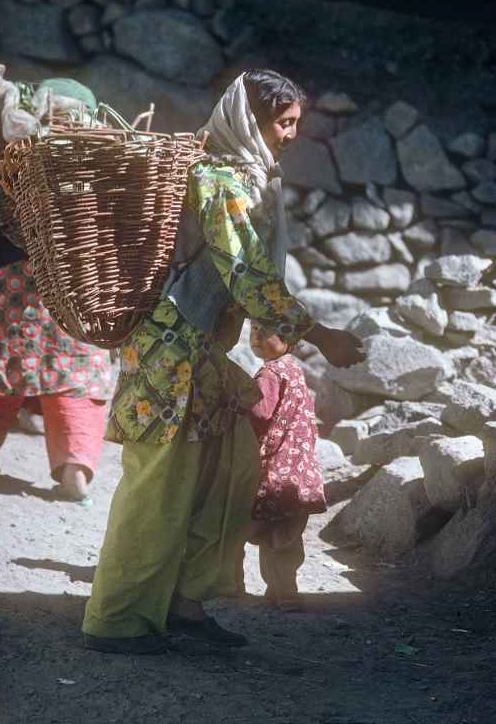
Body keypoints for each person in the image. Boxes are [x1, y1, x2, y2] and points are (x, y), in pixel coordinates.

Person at [82, 69, 365, 655]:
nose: (290, 135)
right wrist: (318, 334)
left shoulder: (255, 178)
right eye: (282, 122)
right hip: (172, 351)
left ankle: (185, 605)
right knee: (159, 485)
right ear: (250, 119)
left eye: (295, 124)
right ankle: (116, 619)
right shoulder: (219, 179)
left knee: (220, 479)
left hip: (205, 351)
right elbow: (243, 268)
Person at [0, 73, 114, 501]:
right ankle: (75, 471)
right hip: (81, 295)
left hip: (18, 290)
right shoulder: (103, 178)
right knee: (79, 382)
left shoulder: (8, 170)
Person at [237, 321, 327, 610]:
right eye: (254, 331)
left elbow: (260, 412)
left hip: (277, 466)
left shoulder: (270, 373)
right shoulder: (294, 368)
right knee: (288, 532)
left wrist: (236, 402)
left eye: (266, 332)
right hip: (299, 467)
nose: (257, 338)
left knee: (272, 532)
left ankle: (283, 591)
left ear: (289, 339)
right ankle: (281, 590)